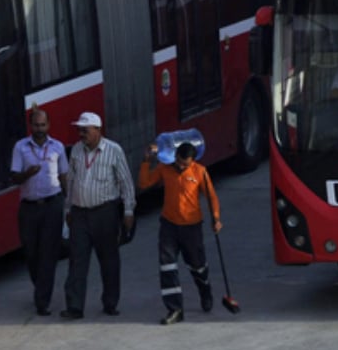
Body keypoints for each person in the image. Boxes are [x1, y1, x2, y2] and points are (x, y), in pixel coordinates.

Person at [138, 138, 222, 325]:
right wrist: (146, 162)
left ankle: (205, 290)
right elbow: (144, 184)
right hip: (169, 226)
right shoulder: (164, 169)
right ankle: (175, 309)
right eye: (179, 162)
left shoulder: (200, 172)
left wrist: (216, 218)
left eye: (185, 164)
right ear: (175, 156)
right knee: (167, 267)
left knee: (197, 265)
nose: (181, 166)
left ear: (192, 161)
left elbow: (211, 197)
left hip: (192, 228)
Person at [61, 112, 135, 319]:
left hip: (105, 212)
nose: (81, 133)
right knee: (77, 261)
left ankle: (110, 302)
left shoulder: (114, 150)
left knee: (109, 260)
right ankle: (75, 306)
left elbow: (126, 183)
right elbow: (71, 181)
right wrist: (68, 209)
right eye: (79, 129)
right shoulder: (76, 150)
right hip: (80, 213)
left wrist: (128, 211)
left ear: (97, 130)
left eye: (85, 130)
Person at [9, 107, 69, 316]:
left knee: (48, 254)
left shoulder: (58, 147)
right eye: (36, 125)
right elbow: (14, 177)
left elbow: (64, 176)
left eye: (43, 125)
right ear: (30, 126)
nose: (40, 129)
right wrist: (27, 174)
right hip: (29, 208)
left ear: (49, 126)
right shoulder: (20, 147)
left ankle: (42, 300)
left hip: (53, 204)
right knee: (32, 253)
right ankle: (41, 287)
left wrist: (69, 204)